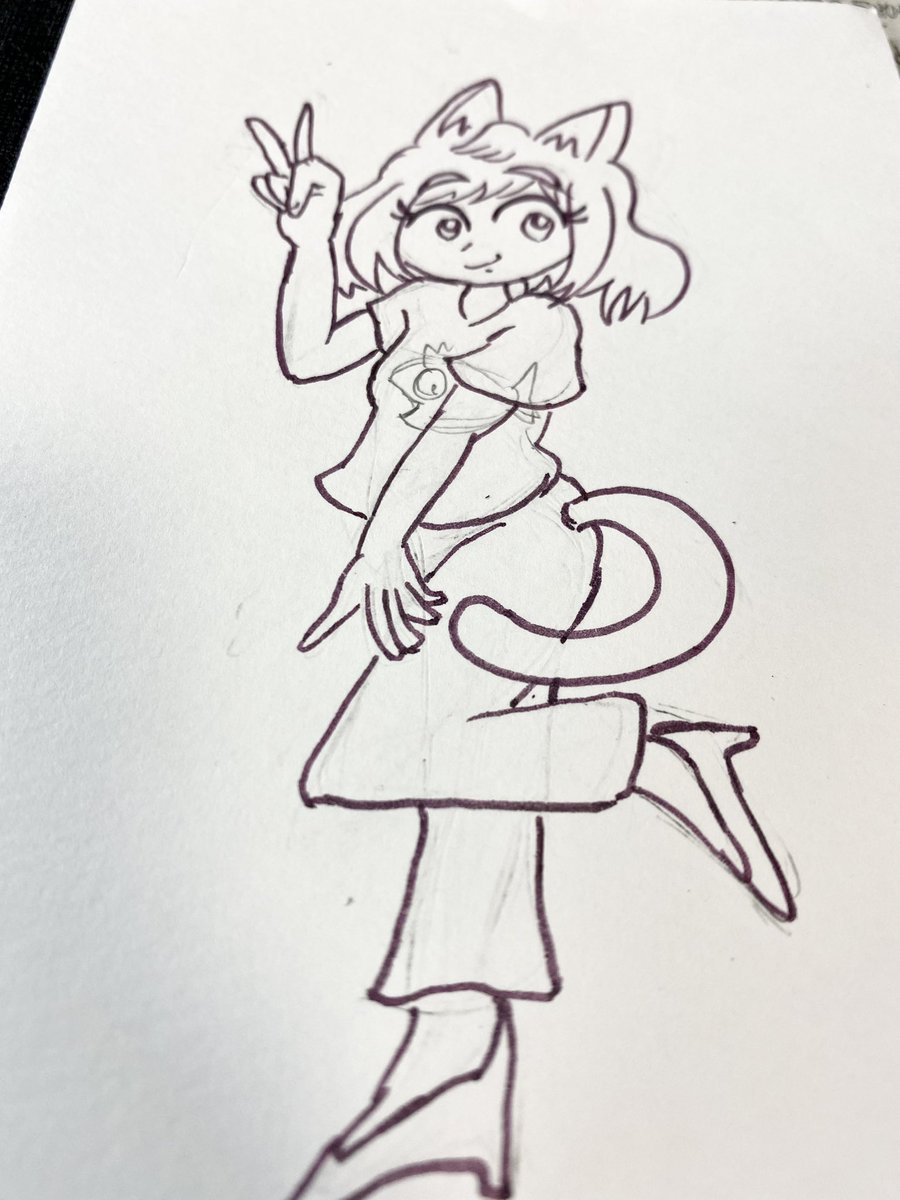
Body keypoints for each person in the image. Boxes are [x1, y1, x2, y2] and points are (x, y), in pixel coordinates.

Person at [247, 80, 795, 1200]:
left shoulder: (539, 324)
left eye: (529, 218)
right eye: (449, 219)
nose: (487, 244)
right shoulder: (416, 301)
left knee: (378, 758)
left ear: (574, 229)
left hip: (518, 553)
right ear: (404, 222)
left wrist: (379, 547)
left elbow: (457, 430)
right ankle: (451, 1061)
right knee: (467, 814)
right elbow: (308, 352)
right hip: (442, 554)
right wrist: (310, 235)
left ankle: (642, 753)